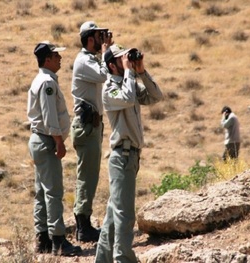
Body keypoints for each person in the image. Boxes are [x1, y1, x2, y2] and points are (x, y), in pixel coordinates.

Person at [94, 44, 163, 263]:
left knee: (114, 216)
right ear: (112, 64)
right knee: (125, 216)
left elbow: (155, 96)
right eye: (122, 59)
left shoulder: (129, 83)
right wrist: (130, 73)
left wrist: (141, 71)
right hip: (121, 157)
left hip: (131, 156)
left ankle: (102, 259)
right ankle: (123, 257)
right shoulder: (109, 89)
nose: (127, 61)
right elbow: (127, 99)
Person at [27, 41, 82, 257]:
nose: (60, 58)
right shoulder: (47, 83)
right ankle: (58, 240)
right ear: (47, 59)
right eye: (56, 55)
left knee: (42, 192)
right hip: (47, 140)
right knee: (53, 192)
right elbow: (50, 116)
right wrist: (59, 141)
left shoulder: (40, 79)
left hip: (39, 140)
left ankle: (42, 240)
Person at [70, 21, 113, 243]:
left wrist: (106, 51)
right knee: (87, 176)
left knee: (90, 175)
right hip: (86, 126)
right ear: (89, 39)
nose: (102, 39)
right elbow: (105, 75)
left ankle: (84, 223)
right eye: (98, 36)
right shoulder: (84, 62)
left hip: (91, 126)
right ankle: (83, 227)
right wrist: (106, 53)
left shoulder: (90, 60)